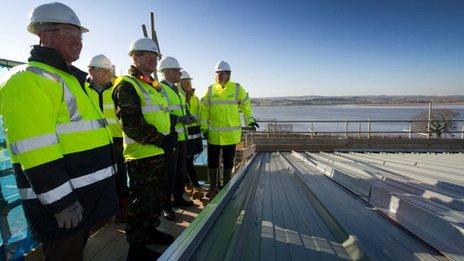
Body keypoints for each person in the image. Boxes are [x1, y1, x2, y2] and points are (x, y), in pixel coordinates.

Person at [0, 3, 119, 260]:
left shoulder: (70, 79)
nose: (78, 40)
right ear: (43, 33)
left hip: (84, 197)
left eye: (80, 34)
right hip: (62, 204)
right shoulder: (28, 79)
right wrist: (62, 203)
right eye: (68, 32)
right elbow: (36, 150)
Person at [112, 37, 178, 260]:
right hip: (141, 155)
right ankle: (136, 248)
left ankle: (150, 232)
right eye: (148, 55)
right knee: (141, 203)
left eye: (155, 56)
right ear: (135, 57)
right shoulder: (127, 84)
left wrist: (170, 131)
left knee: (155, 200)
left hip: (157, 153)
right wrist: (162, 139)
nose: (153, 59)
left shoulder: (151, 85)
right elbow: (132, 125)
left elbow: (160, 114)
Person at [200, 61, 258, 198]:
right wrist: (204, 127)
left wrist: (250, 120)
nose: (220, 75)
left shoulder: (237, 88)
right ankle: (213, 188)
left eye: (223, 73)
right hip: (213, 134)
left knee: (228, 162)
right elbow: (203, 110)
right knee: (212, 162)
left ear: (228, 74)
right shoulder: (210, 90)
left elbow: (246, 106)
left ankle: (226, 189)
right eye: (218, 73)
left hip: (230, 136)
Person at [85, 54, 128, 222]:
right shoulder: (82, 89)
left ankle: (122, 209)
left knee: (120, 176)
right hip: (92, 142)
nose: (107, 74)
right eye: (103, 71)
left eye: (108, 71)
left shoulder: (117, 89)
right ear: (91, 70)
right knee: (96, 178)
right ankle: (101, 213)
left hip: (116, 140)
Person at [158, 57, 195, 221]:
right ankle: (166, 204)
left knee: (180, 171)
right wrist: (179, 120)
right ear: (166, 72)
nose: (180, 72)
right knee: (169, 173)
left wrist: (187, 116)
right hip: (170, 138)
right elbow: (160, 115)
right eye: (177, 70)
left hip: (182, 138)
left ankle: (178, 198)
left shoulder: (178, 90)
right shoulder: (159, 89)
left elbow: (180, 110)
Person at [179, 70, 203, 200]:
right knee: (186, 162)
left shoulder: (195, 98)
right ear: (179, 82)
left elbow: (201, 114)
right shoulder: (177, 96)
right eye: (185, 82)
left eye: (189, 81)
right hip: (182, 135)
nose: (188, 84)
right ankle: (194, 186)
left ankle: (188, 185)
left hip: (193, 135)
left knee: (187, 161)